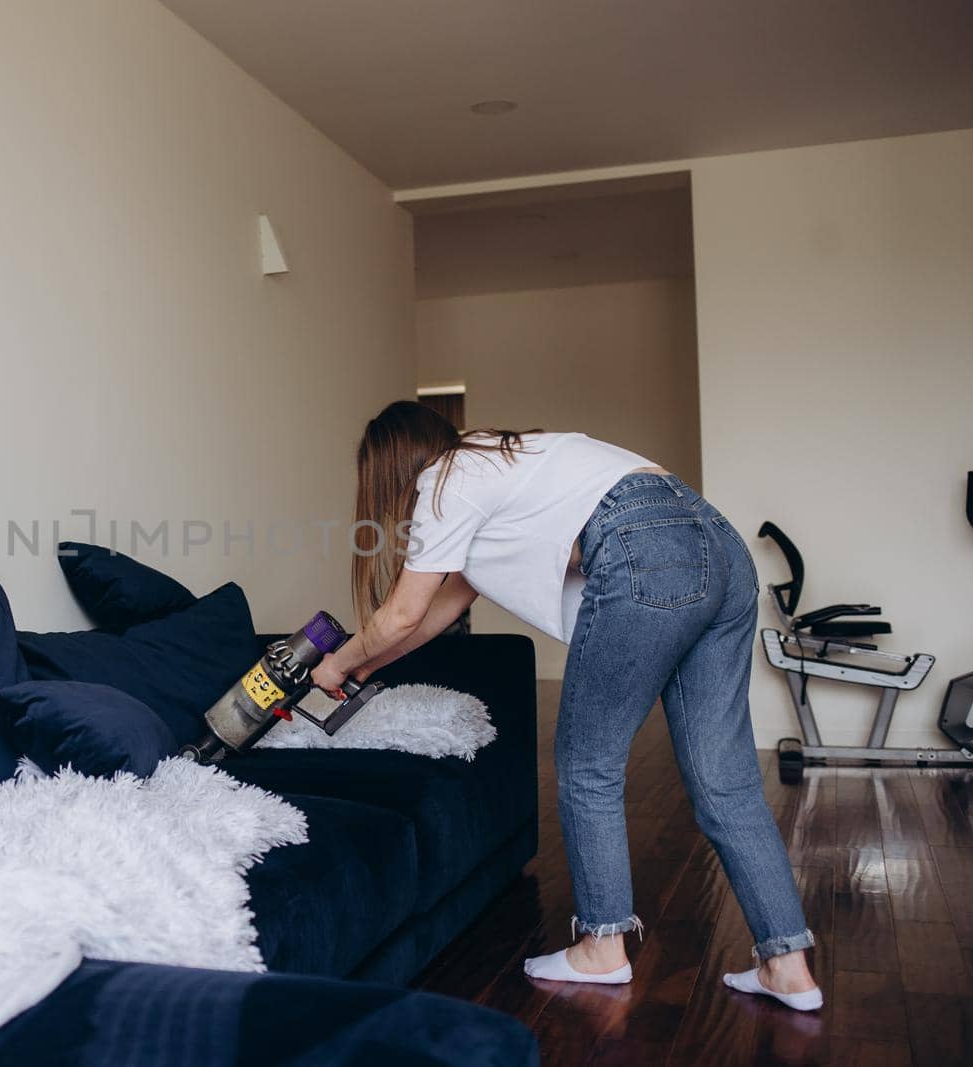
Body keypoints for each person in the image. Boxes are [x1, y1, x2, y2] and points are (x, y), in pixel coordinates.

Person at [310, 401, 821, 1012]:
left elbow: (401, 611)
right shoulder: (505, 464)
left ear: (390, 467)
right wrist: (368, 663)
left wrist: (336, 663)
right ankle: (787, 965)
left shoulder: (444, 480)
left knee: (587, 766)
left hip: (646, 550)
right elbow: (439, 608)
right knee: (726, 782)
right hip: (721, 549)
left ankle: (602, 948)